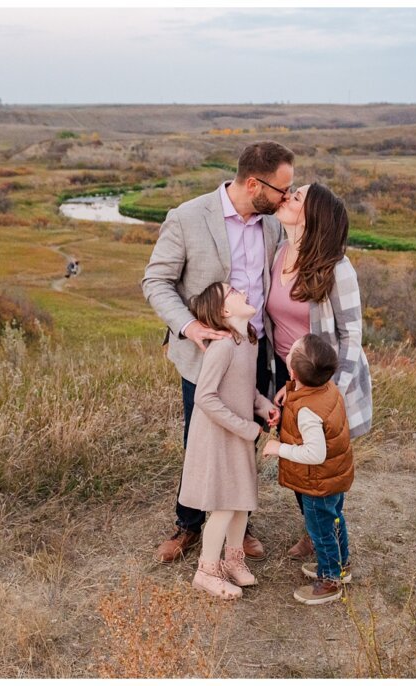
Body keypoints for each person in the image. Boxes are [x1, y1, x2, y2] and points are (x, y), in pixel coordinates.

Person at [142, 141, 295, 563]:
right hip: (205, 354)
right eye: (282, 189)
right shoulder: (188, 217)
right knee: (202, 440)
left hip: (256, 351)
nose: (286, 198)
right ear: (253, 183)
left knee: (243, 438)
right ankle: (188, 524)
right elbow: (156, 282)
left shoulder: (272, 224)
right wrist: (190, 327)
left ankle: (236, 529)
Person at [264, 182, 372, 560]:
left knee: (322, 471)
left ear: (314, 217)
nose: (288, 197)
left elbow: (351, 336)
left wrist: (331, 394)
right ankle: (315, 534)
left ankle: (332, 554)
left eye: (297, 197)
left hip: (321, 382)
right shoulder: (278, 252)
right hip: (286, 374)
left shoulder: (337, 269)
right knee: (298, 460)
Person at [178, 282, 278, 599]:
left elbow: (246, 391)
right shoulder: (221, 348)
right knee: (222, 505)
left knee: (240, 503)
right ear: (224, 311)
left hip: (236, 432)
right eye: (232, 291)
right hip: (217, 436)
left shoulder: (248, 342)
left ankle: (233, 561)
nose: (242, 291)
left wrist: (265, 407)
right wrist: (246, 428)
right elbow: (205, 397)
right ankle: (206, 571)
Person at [262, 334, 352, 605]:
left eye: (293, 349)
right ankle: (341, 565)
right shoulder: (324, 388)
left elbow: (315, 452)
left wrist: (278, 448)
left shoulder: (307, 410)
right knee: (334, 519)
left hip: (317, 482)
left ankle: (329, 580)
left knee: (321, 530)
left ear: (292, 370)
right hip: (333, 476)